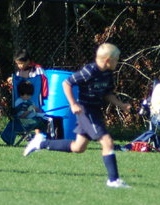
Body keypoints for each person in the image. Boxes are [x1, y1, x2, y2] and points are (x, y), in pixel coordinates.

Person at [23, 43, 131, 188]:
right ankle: (113, 180)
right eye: (116, 59)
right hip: (86, 111)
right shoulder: (89, 71)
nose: (117, 62)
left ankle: (41, 143)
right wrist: (73, 103)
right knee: (107, 142)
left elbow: (107, 93)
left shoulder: (107, 73)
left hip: (95, 111)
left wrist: (121, 105)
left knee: (78, 147)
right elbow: (67, 83)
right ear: (107, 60)